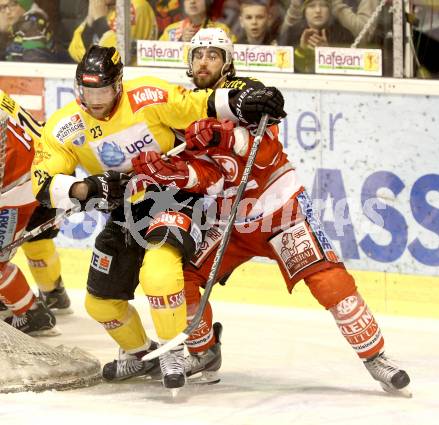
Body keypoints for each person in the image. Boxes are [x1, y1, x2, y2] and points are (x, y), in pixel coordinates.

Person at [133, 27, 411, 396]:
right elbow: (210, 176)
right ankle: (203, 352)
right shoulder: (183, 107)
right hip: (229, 221)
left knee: (330, 282)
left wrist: (225, 136)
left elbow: (264, 152)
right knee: (180, 279)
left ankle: (376, 357)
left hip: (280, 213)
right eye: (198, 55)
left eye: (212, 55)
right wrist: (172, 172)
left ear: (227, 62)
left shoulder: (247, 95)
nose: (203, 62)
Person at [30, 44, 286, 391]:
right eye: (87, 91)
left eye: (103, 90)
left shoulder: (148, 95)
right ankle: (139, 352)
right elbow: (42, 181)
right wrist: (86, 189)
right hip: (123, 212)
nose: (96, 99)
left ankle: (172, 349)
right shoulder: (65, 127)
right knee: (100, 302)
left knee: (159, 272)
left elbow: (199, 105)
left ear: (118, 85)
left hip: (173, 195)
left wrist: (241, 102)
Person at [0, 91, 74, 335]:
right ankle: (53, 292)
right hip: (47, 160)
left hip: (25, 183)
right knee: (36, 237)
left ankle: (32, 314)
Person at [68, 0, 157, 63]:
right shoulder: (101, 8)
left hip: (128, 79)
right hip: (100, 78)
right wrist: (89, 22)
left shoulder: (136, 6)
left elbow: (117, 57)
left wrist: (100, 20)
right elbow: (76, 53)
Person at [279, 0, 353, 73]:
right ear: (304, 11)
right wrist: (302, 50)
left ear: (330, 10)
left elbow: (348, 70)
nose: (318, 10)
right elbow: (284, 70)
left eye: (323, 5)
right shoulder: (291, 34)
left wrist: (327, 53)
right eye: (311, 6)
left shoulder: (343, 35)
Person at [160, 0, 236, 42]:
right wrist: (181, 41)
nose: (192, 1)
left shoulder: (222, 30)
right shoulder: (170, 31)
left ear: (207, 2)